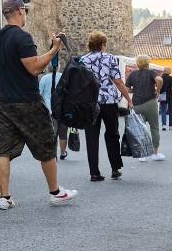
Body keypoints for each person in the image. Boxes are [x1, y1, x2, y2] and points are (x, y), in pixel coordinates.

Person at [0, 0, 77, 209]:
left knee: (3, 150)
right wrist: (53, 49)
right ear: (20, 11)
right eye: (26, 12)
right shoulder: (23, 37)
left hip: (4, 103)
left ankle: (4, 198)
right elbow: (34, 67)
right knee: (46, 145)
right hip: (28, 101)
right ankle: (55, 192)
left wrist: (7, 71)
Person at [80, 31, 134, 181]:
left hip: (90, 103)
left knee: (91, 137)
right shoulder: (109, 58)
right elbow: (118, 81)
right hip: (109, 102)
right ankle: (115, 168)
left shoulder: (82, 60)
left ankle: (94, 173)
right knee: (112, 134)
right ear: (103, 44)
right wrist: (128, 99)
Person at [126, 56, 165, 162]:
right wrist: (158, 90)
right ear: (148, 63)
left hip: (137, 104)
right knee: (154, 128)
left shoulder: (132, 74)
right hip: (150, 103)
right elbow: (159, 79)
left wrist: (135, 91)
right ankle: (155, 153)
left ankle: (142, 155)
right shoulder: (151, 72)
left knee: (140, 129)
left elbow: (128, 88)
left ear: (137, 64)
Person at [38, 62, 69, 160]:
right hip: (63, 110)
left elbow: (39, 95)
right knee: (63, 133)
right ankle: (63, 153)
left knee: (52, 133)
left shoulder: (44, 78)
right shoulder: (64, 77)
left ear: (49, 68)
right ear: (59, 67)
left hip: (49, 110)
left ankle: (53, 153)